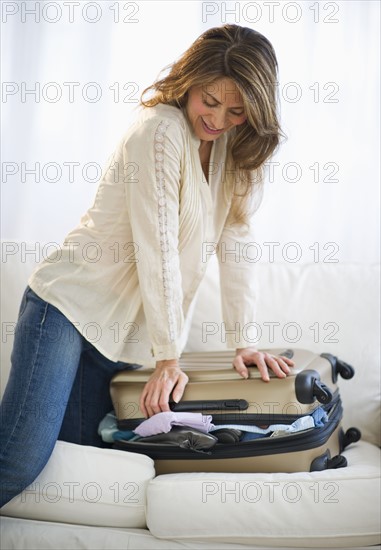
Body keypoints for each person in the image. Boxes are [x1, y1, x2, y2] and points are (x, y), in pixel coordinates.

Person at [0, 24, 294, 507]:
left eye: (237, 110)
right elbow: (156, 246)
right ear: (190, 81)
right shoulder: (159, 132)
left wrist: (244, 341)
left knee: (85, 463)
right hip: (67, 308)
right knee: (18, 458)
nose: (219, 119)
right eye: (210, 101)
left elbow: (237, 238)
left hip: (117, 338)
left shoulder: (233, 151)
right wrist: (168, 359)